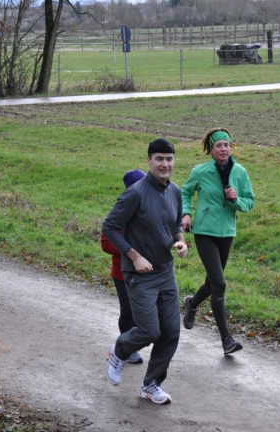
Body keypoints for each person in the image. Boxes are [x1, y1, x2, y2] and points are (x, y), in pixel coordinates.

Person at [102, 138, 188, 405]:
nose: (165, 164)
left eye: (169, 159)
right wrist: (134, 255)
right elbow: (109, 227)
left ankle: (151, 384)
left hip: (165, 271)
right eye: (159, 159)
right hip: (139, 275)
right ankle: (120, 350)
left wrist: (180, 241)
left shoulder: (174, 190)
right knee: (149, 331)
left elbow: (176, 222)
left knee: (172, 332)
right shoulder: (135, 193)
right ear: (149, 160)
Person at [180, 127, 254, 355]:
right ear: (211, 149)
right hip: (204, 231)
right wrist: (186, 214)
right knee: (220, 283)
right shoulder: (201, 171)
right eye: (218, 145)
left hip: (227, 233)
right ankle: (226, 339)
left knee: (214, 282)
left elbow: (249, 202)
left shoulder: (240, 172)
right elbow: (185, 192)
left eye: (226, 145)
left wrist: (236, 200)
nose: (223, 149)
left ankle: (191, 304)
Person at [100, 169, 146, 365]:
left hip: (147, 272)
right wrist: (129, 251)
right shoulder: (121, 212)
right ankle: (126, 347)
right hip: (122, 273)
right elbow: (106, 243)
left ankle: (130, 344)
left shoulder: (148, 211)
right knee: (128, 312)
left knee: (143, 311)